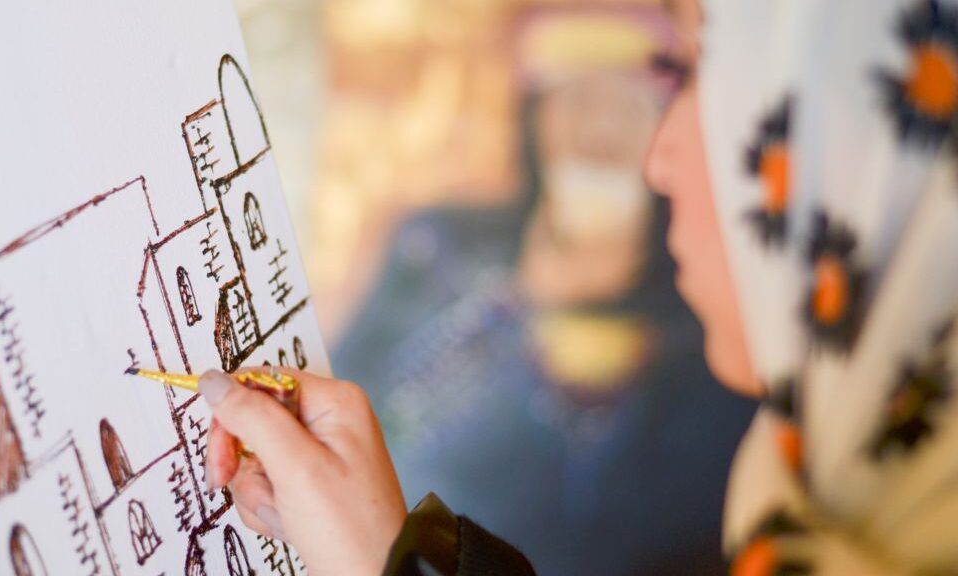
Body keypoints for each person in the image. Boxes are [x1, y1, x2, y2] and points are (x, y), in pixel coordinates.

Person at [202, 0, 958, 574]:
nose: (650, 155)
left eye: (694, 83)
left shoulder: (720, 411)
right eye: (575, 97)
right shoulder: (441, 246)